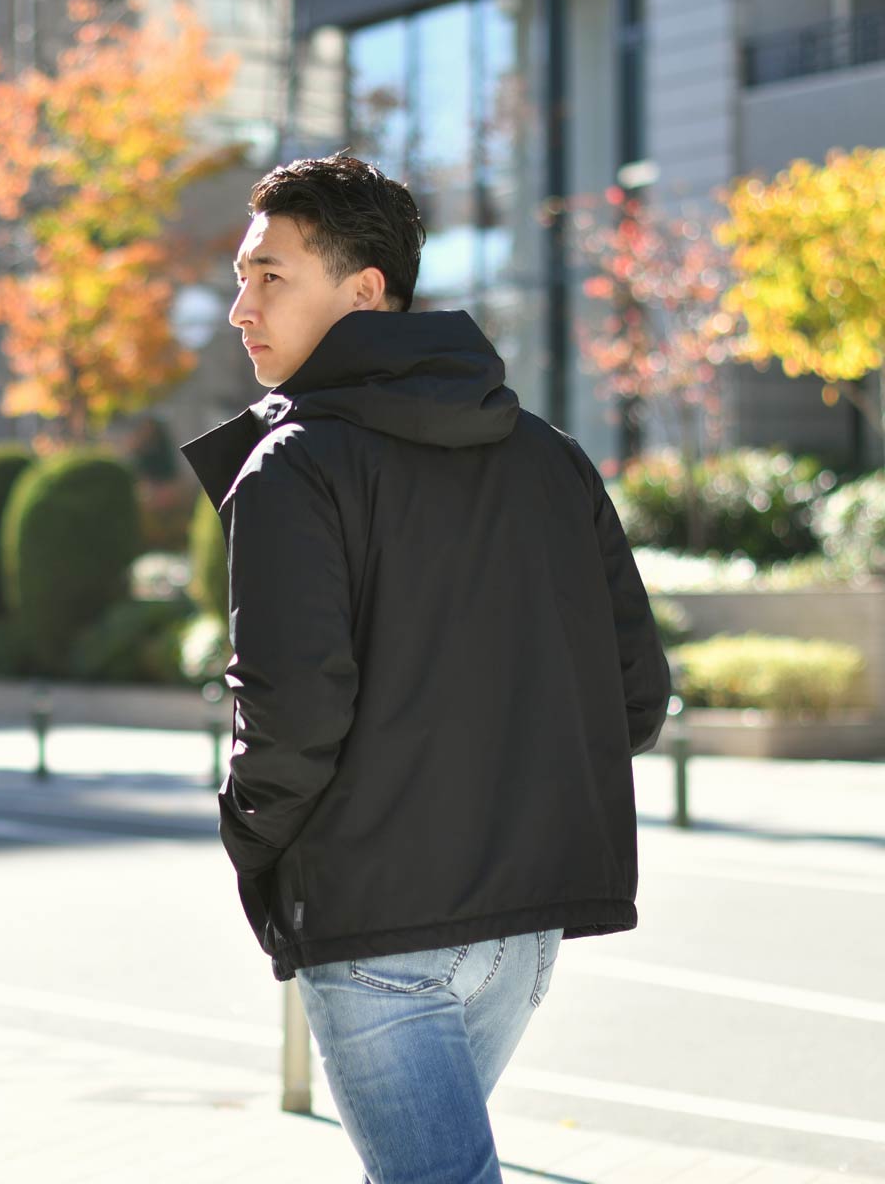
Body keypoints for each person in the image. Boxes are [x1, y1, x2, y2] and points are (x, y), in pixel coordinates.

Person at [180, 154, 671, 1184]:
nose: (240, 308)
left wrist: (253, 841)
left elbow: (291, 715)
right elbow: (633, 698)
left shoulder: (294, 467)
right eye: (240, 277)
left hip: (376, 928)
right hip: (521, 929)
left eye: (271, 276)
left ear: (365, 292)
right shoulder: (551, 457)